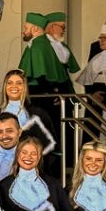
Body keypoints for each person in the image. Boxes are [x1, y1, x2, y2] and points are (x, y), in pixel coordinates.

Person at [18, 11, 78, 142]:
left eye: (25, 28)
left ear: (34, 29)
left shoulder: (38, 46)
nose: (23, 31)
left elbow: (40, 74)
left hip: (41, 97)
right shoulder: (44, 44)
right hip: (50, 94)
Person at [76, 21, 106, 105]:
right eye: (100, 38)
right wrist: (92, 94)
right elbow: (87, 80)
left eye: (104, 38)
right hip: (95, 100)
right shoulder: (96, 58)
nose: (101, 41)